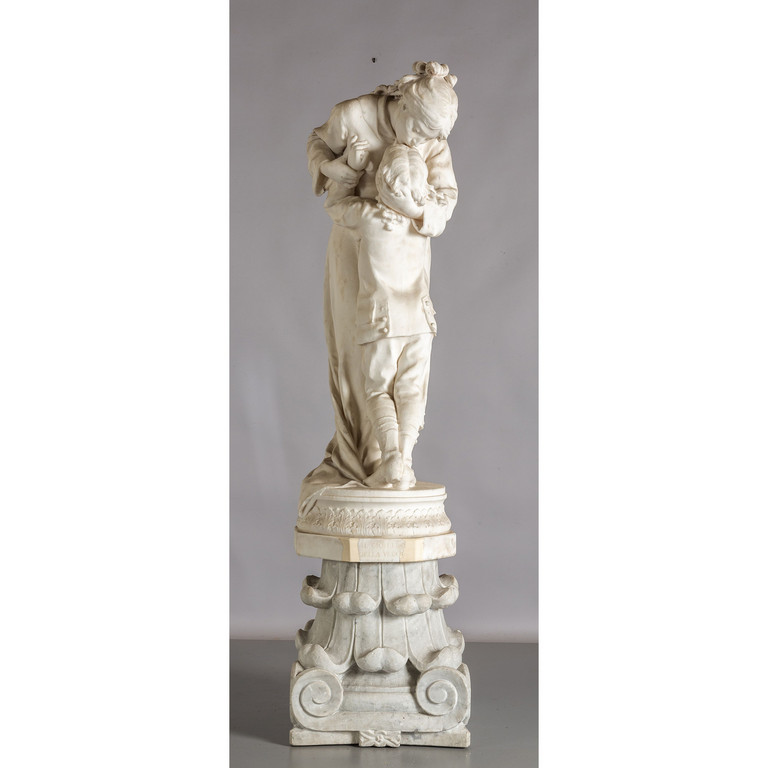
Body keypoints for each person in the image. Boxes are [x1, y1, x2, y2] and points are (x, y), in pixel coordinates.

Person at [301, 62, 458, 507]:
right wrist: (340, 166)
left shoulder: (431, 137)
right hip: (356, 253)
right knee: (356, 356)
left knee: (382, 365)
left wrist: (421, 212)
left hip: (402, 250)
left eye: (433, 137)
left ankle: (390, 461)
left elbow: (446, 196)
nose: (422, 142)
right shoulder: (354, 115)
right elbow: (317, 147)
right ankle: (368, 458)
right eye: (419, 130)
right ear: (402, 104)